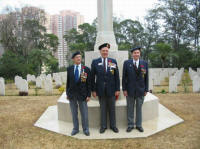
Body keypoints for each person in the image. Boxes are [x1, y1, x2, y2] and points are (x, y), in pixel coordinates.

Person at [91, 43, 120, 134]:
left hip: (111, 90)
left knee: (112, 109)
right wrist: (93, 90)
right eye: (103, 50)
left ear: (108, 51)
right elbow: (92, 77)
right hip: (100, 90)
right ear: (100, 51)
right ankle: (103, 126)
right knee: (103, 109)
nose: (105, 52)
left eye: (106, 51)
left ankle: (113, 126)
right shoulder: (95, 62)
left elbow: (116, 76)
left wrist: (117, 89)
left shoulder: (113, 61)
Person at [122, 47, 149, 133]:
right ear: (132, 54)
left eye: (138, 52)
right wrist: (124, 89)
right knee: (130, 108)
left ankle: (139, 125)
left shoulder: (144, 63)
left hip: (140, 90)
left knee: (139, 108)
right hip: (130, 90)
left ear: (140, 54)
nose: (136, 54)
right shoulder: (127, 63)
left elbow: (146, 77)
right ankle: (130, 125)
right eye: (134, 53)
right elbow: (124, 77)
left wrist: (146, 89)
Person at [66, 51, 91, 136]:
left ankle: (86, 129)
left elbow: (88, 83)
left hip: (83, 95)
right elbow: (68, 82)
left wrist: (88, 95)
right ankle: (75, 128)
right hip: (72, 95)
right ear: (73, 59)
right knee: (74, 113)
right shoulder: (69, 69)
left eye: (80, 57)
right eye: (77, 57)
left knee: (84, 113)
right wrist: (67, 94)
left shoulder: (86, 69)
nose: (79, 58)